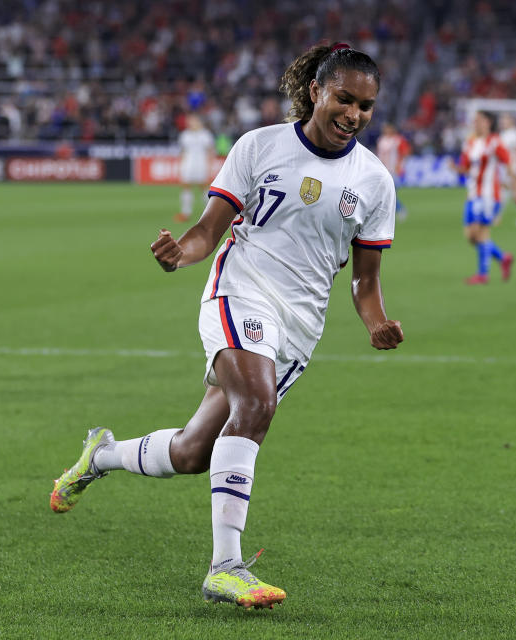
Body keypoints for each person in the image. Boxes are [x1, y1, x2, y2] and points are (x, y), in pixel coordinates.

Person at [49, 42, 404, 610]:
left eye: (366, 106)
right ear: (317, 91)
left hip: (300, 326)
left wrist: (376, 322)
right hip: (240, 292)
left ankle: (103, 454)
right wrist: (179, 254)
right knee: (257, 407)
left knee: (193, 452)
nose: (354, 115)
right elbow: (206, 230)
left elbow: (365, 279)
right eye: (345, 98)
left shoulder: (375, 180)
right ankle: (226, 568)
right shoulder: (259, 146)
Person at [457, 111, 516, 285]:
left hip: (488, 195)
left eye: (479, 120)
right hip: (472, 195)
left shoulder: (495, 142)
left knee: (481, 233)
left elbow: (508, 165)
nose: (475, 123)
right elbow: (465, 168)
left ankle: (483, 274)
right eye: (474, 120)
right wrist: (454, 168)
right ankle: (503, 257)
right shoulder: (470, 142)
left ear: (488, 122)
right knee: (471, 236)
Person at [173, 113, 216, 222]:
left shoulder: (205, 134)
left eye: (193, 121)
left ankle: (211, 212)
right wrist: (180, 165)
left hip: (201, 164)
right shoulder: (185, 135)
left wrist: (210, 166)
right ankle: (185, 213)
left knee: (204, 188)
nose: (191, 123)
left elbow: (210, 151)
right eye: (190, 121)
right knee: (186, 186)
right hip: (188, 164)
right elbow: (182, 151)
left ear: (199, 121)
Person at [376, 122, 411, 221]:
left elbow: (406, 151)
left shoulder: (397, 140)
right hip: (382, 170)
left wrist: (400, 164)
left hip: (393, 170)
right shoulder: (381, 140)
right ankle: (395, 211)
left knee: (390, 193)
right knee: (385, 193)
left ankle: (400, 209)